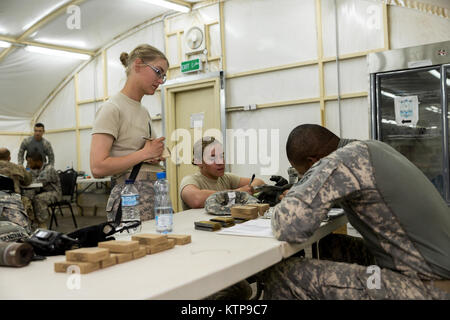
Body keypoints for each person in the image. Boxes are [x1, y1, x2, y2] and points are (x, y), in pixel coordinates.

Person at [261, 124, 450, 299]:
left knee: (283, 275)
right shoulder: (370, 148)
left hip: (428, 286)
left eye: (304, 174)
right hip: (430, 267)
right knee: (332, 244)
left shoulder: (340, 161)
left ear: (313, 162)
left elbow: (290, 227)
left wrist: (293, 192)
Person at [90, 44, 168, 221]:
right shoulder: (112, 109)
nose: (161, 80)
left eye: (164, 76)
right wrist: (144, 153)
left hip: (153, 198)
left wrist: (153, 155)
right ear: (138, 65)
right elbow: (97, 167)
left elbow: (139, 154)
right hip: (130, 203)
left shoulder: (144, 111)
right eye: (158, 72)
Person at [24, 152, 61, 229]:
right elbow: (29, 179)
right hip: (41, 192)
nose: (29, 165)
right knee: (27, 197)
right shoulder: (36, 169)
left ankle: (42, 224)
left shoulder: (49, 169)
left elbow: (38, 182)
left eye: (30, 163)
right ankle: (32, 221)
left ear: (38, 161)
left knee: (38, 199)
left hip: (54, 193)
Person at [0, 148, 33, 231]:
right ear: (9, 158)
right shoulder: (18, 168)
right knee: (27, 201)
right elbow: (28, 182)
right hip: (14, 202)